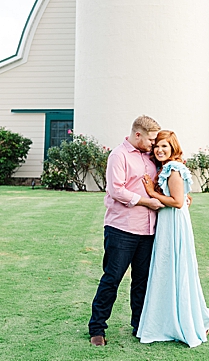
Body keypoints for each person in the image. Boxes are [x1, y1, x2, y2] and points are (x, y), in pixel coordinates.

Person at [88, 115, 165, 347]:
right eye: (151, 139)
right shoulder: (118, 155)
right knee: (112, 279)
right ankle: (97, 328)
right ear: (137, 134)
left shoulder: (151, 158)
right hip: (121, 229)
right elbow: (116, 191)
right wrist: (146, 202)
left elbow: (161, 185)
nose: (153, 143)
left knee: (142, 281)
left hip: (148, 230)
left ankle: (139, 325)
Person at [137, 130, 209, 348]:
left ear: (173, 148)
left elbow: (178, 201)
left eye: (165, 146)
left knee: (175, 267)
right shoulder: (166, 168)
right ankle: (175, 318)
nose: (160, 150)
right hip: (168, 221)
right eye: (157, 146)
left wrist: (151, 193)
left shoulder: (174, 169)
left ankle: (190, 320)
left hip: (174, 221)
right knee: (168, 268)